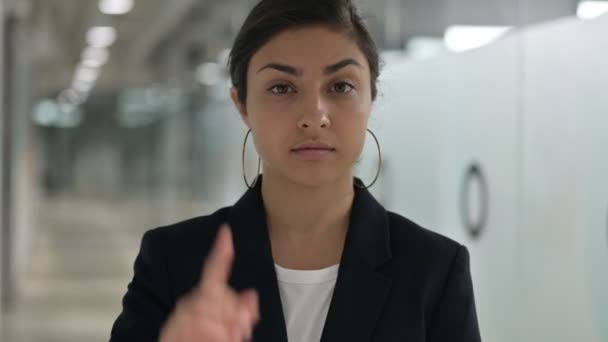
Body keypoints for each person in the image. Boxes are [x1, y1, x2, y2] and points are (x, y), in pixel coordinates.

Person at [110, 0, 482, 341]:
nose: (315, 116)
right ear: (241, 104)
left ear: (371, 97)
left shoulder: (432, 271)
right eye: (282, 88)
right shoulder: (174, 262)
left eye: (340, 86)